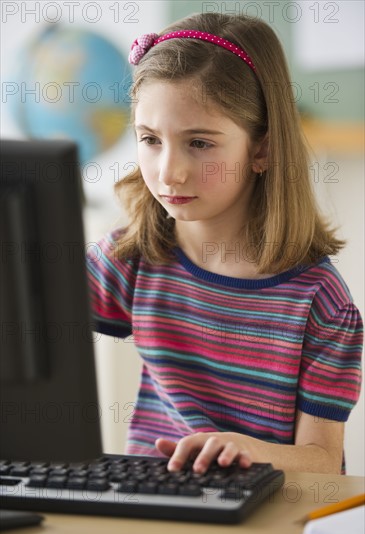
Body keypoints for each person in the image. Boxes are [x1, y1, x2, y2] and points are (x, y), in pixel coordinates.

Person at [86, 13, 363, 475]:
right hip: (150, 512)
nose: (169, 171)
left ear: (262, 149)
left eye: (199, 143)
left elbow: (322, 461)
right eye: (150, 140)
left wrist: (246, 448)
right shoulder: (132, 258)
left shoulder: (320, 303)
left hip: (263, 525)